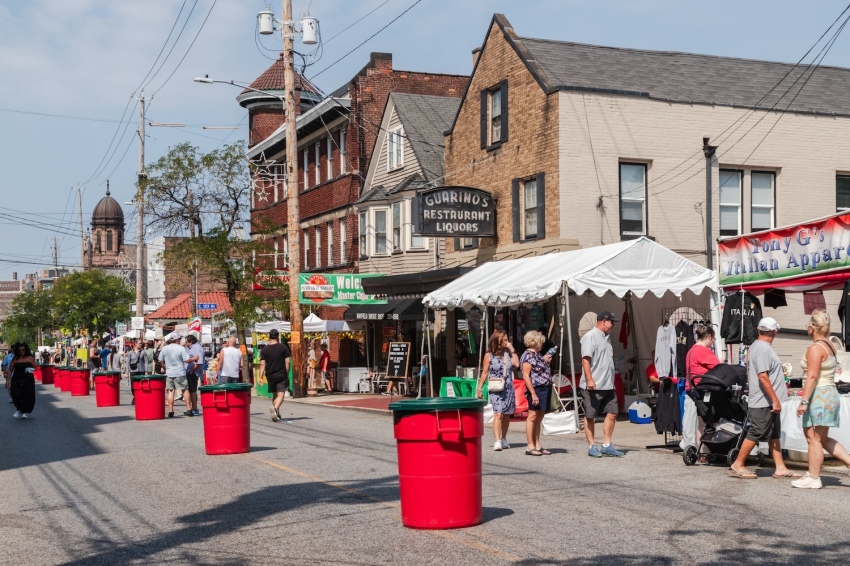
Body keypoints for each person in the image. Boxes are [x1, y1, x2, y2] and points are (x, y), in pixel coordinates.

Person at [729, 317, 800, 479]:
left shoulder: (761, 347)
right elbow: (762, 376)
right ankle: (738, 463)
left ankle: (780, 467)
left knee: (774, 433)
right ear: (775, 331)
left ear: (758, 330)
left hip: (767, 400)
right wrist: (774, 399)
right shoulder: (762, 348)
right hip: (763, 400)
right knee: (757, 431)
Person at [792, 310, 850, 488]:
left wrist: (804, 401)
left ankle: (814, 477)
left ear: (811, 328)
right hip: (829, 393)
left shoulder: (816, 348)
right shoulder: (829, 344)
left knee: (813, 438)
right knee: (822, 438)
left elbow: (812, 376)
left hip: (819, 395)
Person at [580, 311, 624, 457]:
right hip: (594, 384)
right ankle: (592, 446)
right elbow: (585, 359)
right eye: (612, 322)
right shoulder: (590, 336)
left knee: (613, 412)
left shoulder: (607, 338)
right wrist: (589, 379)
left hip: (608, 384)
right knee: (591, 416)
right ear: (603, 321)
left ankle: (606, 444)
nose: (613, 325)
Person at [476, 330, 519, 451]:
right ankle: (497, 440)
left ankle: (504, 437)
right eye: (504, 339)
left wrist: (512, 348)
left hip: (508, 387)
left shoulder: (508, 353)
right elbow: (484, 372)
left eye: (507, 339)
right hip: (495, 387)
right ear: (497, 341)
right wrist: (479, 388)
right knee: (498, 413)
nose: (506, 341)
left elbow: (517, 364)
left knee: (506, 414)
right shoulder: (488, 355)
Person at [683, 326, 721, 458]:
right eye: (713, 339)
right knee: (709, 422)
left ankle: (702, 453)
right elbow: (719, 369)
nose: (712, 343)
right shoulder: (703, 351)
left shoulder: (691, 350)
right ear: (709, 337)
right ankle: (707, 451)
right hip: (703, 389)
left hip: (691, 388)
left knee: (701, 422)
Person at [520, 330, 554, 456]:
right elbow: (526, 376)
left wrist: (546, 360)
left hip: (544, 387)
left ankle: (537, 444)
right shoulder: (528, 356)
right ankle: (530, 446)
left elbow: (539, 368)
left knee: (539, 417)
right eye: (540, 342)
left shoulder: (537, 355)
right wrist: (533, 393)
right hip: (536, 388)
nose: (542, 344)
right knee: (533, 416)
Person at [259, 329, 291, 422]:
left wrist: (260, 377)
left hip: (270, 375)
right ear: (278, 337)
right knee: (281, 395)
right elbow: (287, 361)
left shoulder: (264, 350)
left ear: (269, 336)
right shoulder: (283, 348)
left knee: (275, 395)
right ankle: (275, 407)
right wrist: (287, 372)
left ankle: (277, 413)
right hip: (281, 374)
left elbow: (262, 364)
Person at [158, 332, 190, 418]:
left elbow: (160, 359)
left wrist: (164, 367)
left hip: (169, 373)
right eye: (179, 339)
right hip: (180, 372)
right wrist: (194, 359)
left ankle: (171, 411)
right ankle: (189, 409)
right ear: (177, 339)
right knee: (185, 390)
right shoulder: (181, 348)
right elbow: (186, 360)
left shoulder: (165, 348)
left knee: (170, 391)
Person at [7, 342, 36, 419]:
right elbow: (10, 370)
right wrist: (8, 380)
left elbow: (35, 367)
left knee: (26, 396)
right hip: (16, 379)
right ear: (17, 350)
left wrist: (31, 369)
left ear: (25, 350)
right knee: (15, 394)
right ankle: (19, 409)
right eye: (19, 350)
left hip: (28, 379)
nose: (21, 351)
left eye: (23, 350)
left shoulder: (30, 358)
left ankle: (23, 412)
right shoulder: (15, 359)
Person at [184, 334, 205, 417]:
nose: (185, 343)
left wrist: (192, 370)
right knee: (190, 390)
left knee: (193, 390)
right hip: (190, 371)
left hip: (193, 372)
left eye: (186, 342)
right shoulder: (191, 348)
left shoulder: (197, 348)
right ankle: (193, 408)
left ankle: (195, 409)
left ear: (191, 341)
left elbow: (199, 362)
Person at [126, 340, 146, 404]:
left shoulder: (143, 352)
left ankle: (140, 397)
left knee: (141, 385)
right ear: (135, 344)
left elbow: (146, 362)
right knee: (133, 386)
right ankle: (135, 396)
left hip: (141, 370)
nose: (141, 344)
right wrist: (127, 372)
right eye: (140, 343)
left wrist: (146, 371)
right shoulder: (130, 353)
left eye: (141, 343)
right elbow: (127, 363)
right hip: (133, 371)